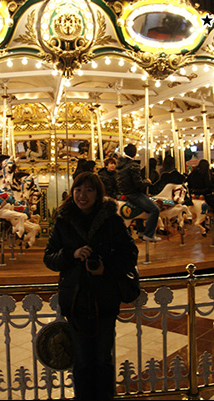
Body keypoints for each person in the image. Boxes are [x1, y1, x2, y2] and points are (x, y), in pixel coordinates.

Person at [43, 172, 138, 401]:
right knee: (82, 360)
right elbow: (49, 258)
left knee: (103, 358)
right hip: (75, 301)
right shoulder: (64, 221)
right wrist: (71, 254)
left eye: (88, 190)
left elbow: (130, 254)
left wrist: (105, 268)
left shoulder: (112, 221)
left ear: (97, 193)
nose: (82, 195)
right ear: (72, 191)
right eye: (78, 189)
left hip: (104, 299)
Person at [116, 143, 161, 241]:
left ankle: (140, 231)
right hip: (133, 193)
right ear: (135, 153)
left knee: (140, 209)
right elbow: (138, 184)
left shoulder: (120, 165)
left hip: (124, 192)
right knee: (155, 209)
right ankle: (149, 234)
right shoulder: (133, 165)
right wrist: (148, 182)